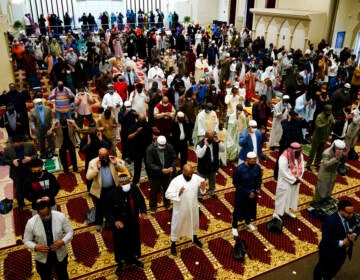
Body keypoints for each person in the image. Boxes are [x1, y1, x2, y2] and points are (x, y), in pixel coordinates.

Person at [105, 174, 147, 276]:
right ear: (119, 183)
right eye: (123, 183)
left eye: (127, 183)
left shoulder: (134, 188)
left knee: (133, 240)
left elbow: (141, 200)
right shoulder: (112, 194)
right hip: (120, 225)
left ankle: (133, 258)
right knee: (120, 244)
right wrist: (115, 221)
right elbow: (107, 211)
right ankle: (120, 263)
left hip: (133, 222)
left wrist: (143, 211)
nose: (125, 185)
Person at [23, 201, 74, 280]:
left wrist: (62, 241)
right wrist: (36, 246)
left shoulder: (60, 216)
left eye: (48, 214)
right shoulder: (31, 223)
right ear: (38, 213)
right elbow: (26, 240)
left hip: (60, 252)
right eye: (43, 216)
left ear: (50, 210)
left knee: (63, 274)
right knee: (45, 276)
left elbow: (70, 232)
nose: (46, 217)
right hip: (42, 256)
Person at [165, 164, 207, 256]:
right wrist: (177, 194)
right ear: (183, 171)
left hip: (193, 207)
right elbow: (167, 194)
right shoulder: (176, 181)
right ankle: (173, 244)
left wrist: (203, 188)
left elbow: (203, 186)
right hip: (181, 209)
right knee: (177, 226)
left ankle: (195, 238)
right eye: (188, 174)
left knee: (194, 223)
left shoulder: (195, 177)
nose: (190, 176)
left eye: (191, 174)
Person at [313, 200, 360, 280]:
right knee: (321, 268)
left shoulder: (351, 216)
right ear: (341, 211)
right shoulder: (330, 221)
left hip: (344, 251)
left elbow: (358, 226)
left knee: (336, 266)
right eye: (349, 213)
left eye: (352, 212)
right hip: (329, 251)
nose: (351, 215)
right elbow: (326, 239)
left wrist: (355, 234)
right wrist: (342, 243)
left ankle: (328, 277)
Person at [86, 147, 126, 231]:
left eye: (106, 156)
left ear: (108, 154)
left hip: (113, 188)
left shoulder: (112, 159)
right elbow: (88, 177)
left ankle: (111, 222)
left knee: (112, 206)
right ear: (99, 156)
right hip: (100, 190)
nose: (104, 158)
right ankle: (98, 223)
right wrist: (97, 168)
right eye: (102, 156)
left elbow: (123, 169)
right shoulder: (93, 162)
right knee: (100, 207)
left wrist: (116, 164)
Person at [3, 135, 37, 209]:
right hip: (16, 174)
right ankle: (21, 204)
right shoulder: (7, 149)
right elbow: (4, 160)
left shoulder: (29, 145)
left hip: (28, 171)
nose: (18, 145)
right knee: (19, 190)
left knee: (32, 187)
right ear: (13, 143)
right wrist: (12, 162)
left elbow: (36, 155)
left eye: (20, 143)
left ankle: (34, 200)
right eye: (16, 144)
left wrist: (30, 158)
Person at [232, 151, 262, 235]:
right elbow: (236, 183)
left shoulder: (257, 167)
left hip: (253, 193)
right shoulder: (239, 169)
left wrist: (258, 188)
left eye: (255, 161)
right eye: (252, 161)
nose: (254, 163)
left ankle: (247, 222)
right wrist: (248, 192)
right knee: (238, 210)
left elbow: (259, 179)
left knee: (250, 208)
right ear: (247, 159)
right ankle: (234, 226)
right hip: (241, 194)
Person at [145, 135, 177, 215]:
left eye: (164, 145)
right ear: (157, 143)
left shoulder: (169, 147)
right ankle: (153, 207)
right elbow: (150, 164)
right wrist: (161, 170)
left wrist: (172, 167)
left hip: (166, 173)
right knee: (154, 191)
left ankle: (167, 203)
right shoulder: (150, 149)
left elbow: (174, 158)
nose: (163, 146)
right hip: (155, 174)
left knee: (167, 189)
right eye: (161, 145)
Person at [273, 142, 304, 220]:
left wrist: (299, 177)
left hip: (296, 181)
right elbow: (283, 171)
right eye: (297, 152)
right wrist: (293, 180)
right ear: (292, 151)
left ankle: (287, 210)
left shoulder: (300, 155)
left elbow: (302, 167)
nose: (299, 153)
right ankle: (276, 213)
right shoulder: (283, 157)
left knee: (292, 197)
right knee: (282, 198)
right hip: (285, 182)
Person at [195, 130, 225, 202]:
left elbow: (223, 150)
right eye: (211, 138)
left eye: (213, 137)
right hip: (203, 167)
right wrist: (205, 145)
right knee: (201, 182)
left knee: (212, 181)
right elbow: (199, 155)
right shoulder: (200, 144)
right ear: (206, 137)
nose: (212, 139)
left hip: (213, 166)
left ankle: (211, 192)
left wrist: (219, 142)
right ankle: (199, 196)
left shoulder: (215, 142)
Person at [306, 104, 335, 171]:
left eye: (330, 112)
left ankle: (317, 163)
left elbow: (333, 121)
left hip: (324, 136)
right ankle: (308, 164)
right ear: (324, 111)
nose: (328, 114)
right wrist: (327, 123)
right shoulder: (319, 116)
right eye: (327, 112)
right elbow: (318, 125)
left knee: (320, 151)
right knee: (313, 152)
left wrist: (332, 123)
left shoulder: (330, 115)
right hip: (317, 137)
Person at [128, 114, 153, 186]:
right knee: (137, 166)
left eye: (144, 120)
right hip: (137, 150)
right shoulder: (134, 126)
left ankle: (151, 181)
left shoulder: (148, 125)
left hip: (147, 150)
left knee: (149, 166)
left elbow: (153, 134)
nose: (143, 122)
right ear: (138, 120)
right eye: (142, 120)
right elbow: (129, 137)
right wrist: (136, 132)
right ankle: (135, 182)